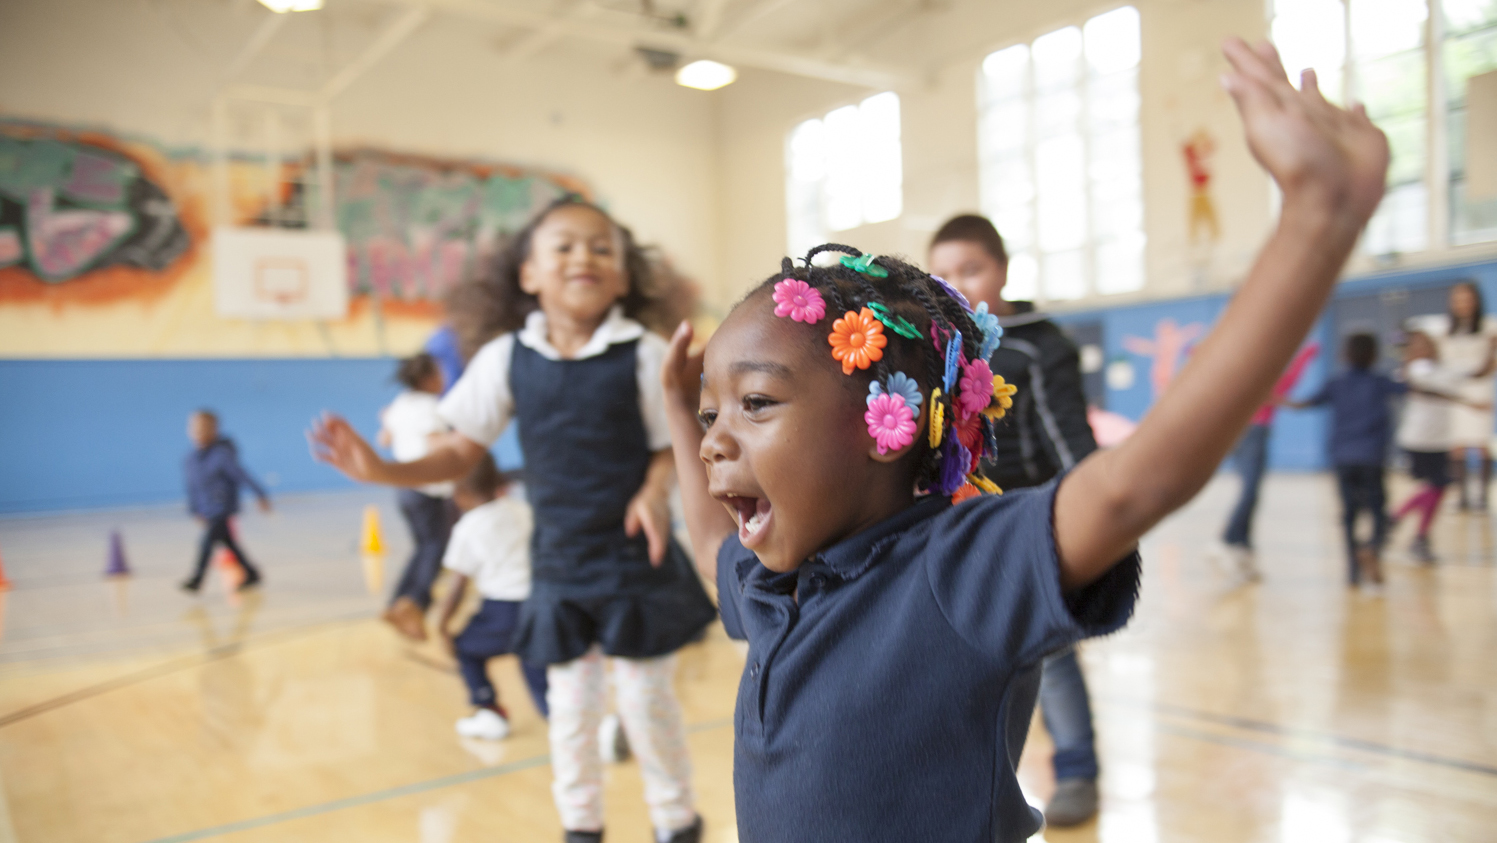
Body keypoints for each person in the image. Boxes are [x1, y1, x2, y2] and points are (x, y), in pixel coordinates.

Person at [660, 39, 1388, 842]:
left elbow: (1132, 485)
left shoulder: (951, 569)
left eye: (754, 401)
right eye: (708, 414)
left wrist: (1316, 220)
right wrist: (672, 405)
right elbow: (703, 547)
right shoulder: (775, 581)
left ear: (882, 426)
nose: (712, 441)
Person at [309, 196, 715, 843]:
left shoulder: (644, 353)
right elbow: (458, 449)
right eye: (563, 245)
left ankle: (676, 821)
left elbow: (675, 438)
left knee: (646, 704)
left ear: (623, 277)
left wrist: (653, 484)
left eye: (600, 247)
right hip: (557, 566)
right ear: (527, 274)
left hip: (637, 562)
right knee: (570, 714)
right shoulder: (504, 359)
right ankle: (580, 826)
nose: (583, 255)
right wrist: (381, 469)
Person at [927, 213, 1102, 827]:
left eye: (970, 270)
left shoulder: (1038, 345)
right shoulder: (931, 350)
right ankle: (981, 785)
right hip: (957, 533)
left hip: (1032, 528)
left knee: (1051, 657)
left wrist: (1091, 521)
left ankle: (1077, 769)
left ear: (1001, 270)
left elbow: (1074, 447)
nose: (956, 286)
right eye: (941, 275)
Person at [434, 454, 549, 740]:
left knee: (465, 649)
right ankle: (585, 728)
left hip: (503, 609)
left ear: (460, 493)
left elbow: (458, 586)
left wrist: (441, 624)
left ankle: (488, 711)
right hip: (541, 601)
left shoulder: (468, 527)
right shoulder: (522, 510)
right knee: (537, 671)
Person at [1285, 334, 1405, 591]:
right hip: (1372, 457)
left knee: (1349, 513)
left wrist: (1275, 398)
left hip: (1343, 458)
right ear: (1374, 354)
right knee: (1378, 510)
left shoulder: (1336, 383)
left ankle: (1352, 572)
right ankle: (1371, 546)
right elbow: (1409, 388)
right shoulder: (1379, 381)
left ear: (1345, 354)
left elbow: (1304, 403)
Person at [1208, 343, 1319, 581]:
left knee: (1252, 492)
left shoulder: (1248, 376)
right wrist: (1308, 352)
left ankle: (1244, 548)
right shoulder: (1263, 379)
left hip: (1242, 434)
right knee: (1249, 492)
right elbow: (1291, 378)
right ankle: (1226, 540)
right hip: (1252, 434)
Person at [377, 353, 458, 640]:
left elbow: (384, 440)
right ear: (427, 379)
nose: (444, 378)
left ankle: (397, 602)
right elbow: (435, 444)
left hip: (405, 489)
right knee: (435, 548)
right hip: (428, 488)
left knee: (423, 546)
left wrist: (389, 422)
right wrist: (463, 441)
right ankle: (413, 605)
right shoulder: (430, 407)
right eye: (439, 373)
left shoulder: (400, 404)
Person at [1411, 282, 1497, 510]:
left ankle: (1482, 498)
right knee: (1456, 445)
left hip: (1479, 389)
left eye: (1467, 298)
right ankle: (1462, 497)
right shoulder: (1443, 329)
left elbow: (1489, 364)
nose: (1463, 303)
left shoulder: (1489, 327)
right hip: (1453, 390)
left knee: (1480, 443)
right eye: (1458, 299)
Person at [1392, 330, 1464, 562]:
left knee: (1438, 488)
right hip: (1418, 439)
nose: (1424, 349)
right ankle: (1400, 521)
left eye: (1427, 344)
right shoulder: (1413, 370)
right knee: (1437, 485)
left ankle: (1414, 532)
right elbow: (1428, 388)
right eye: (1417, 345)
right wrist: (1466, 401)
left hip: (1440, 439)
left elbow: (1468, 375)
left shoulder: (1443, 370)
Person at [182, 409, 270, 593]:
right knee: (229, 543)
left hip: (222, 507)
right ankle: (251, 572)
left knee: (206, 543)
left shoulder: (222, 455)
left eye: (203, 429)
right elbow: (192, 488)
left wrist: (260, 494)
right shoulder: (191, 460)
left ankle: (197, 579)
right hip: (207, 509)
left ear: (214, 430)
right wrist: (195, 510)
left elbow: (241, 475)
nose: (198, 433)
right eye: (195, 429)